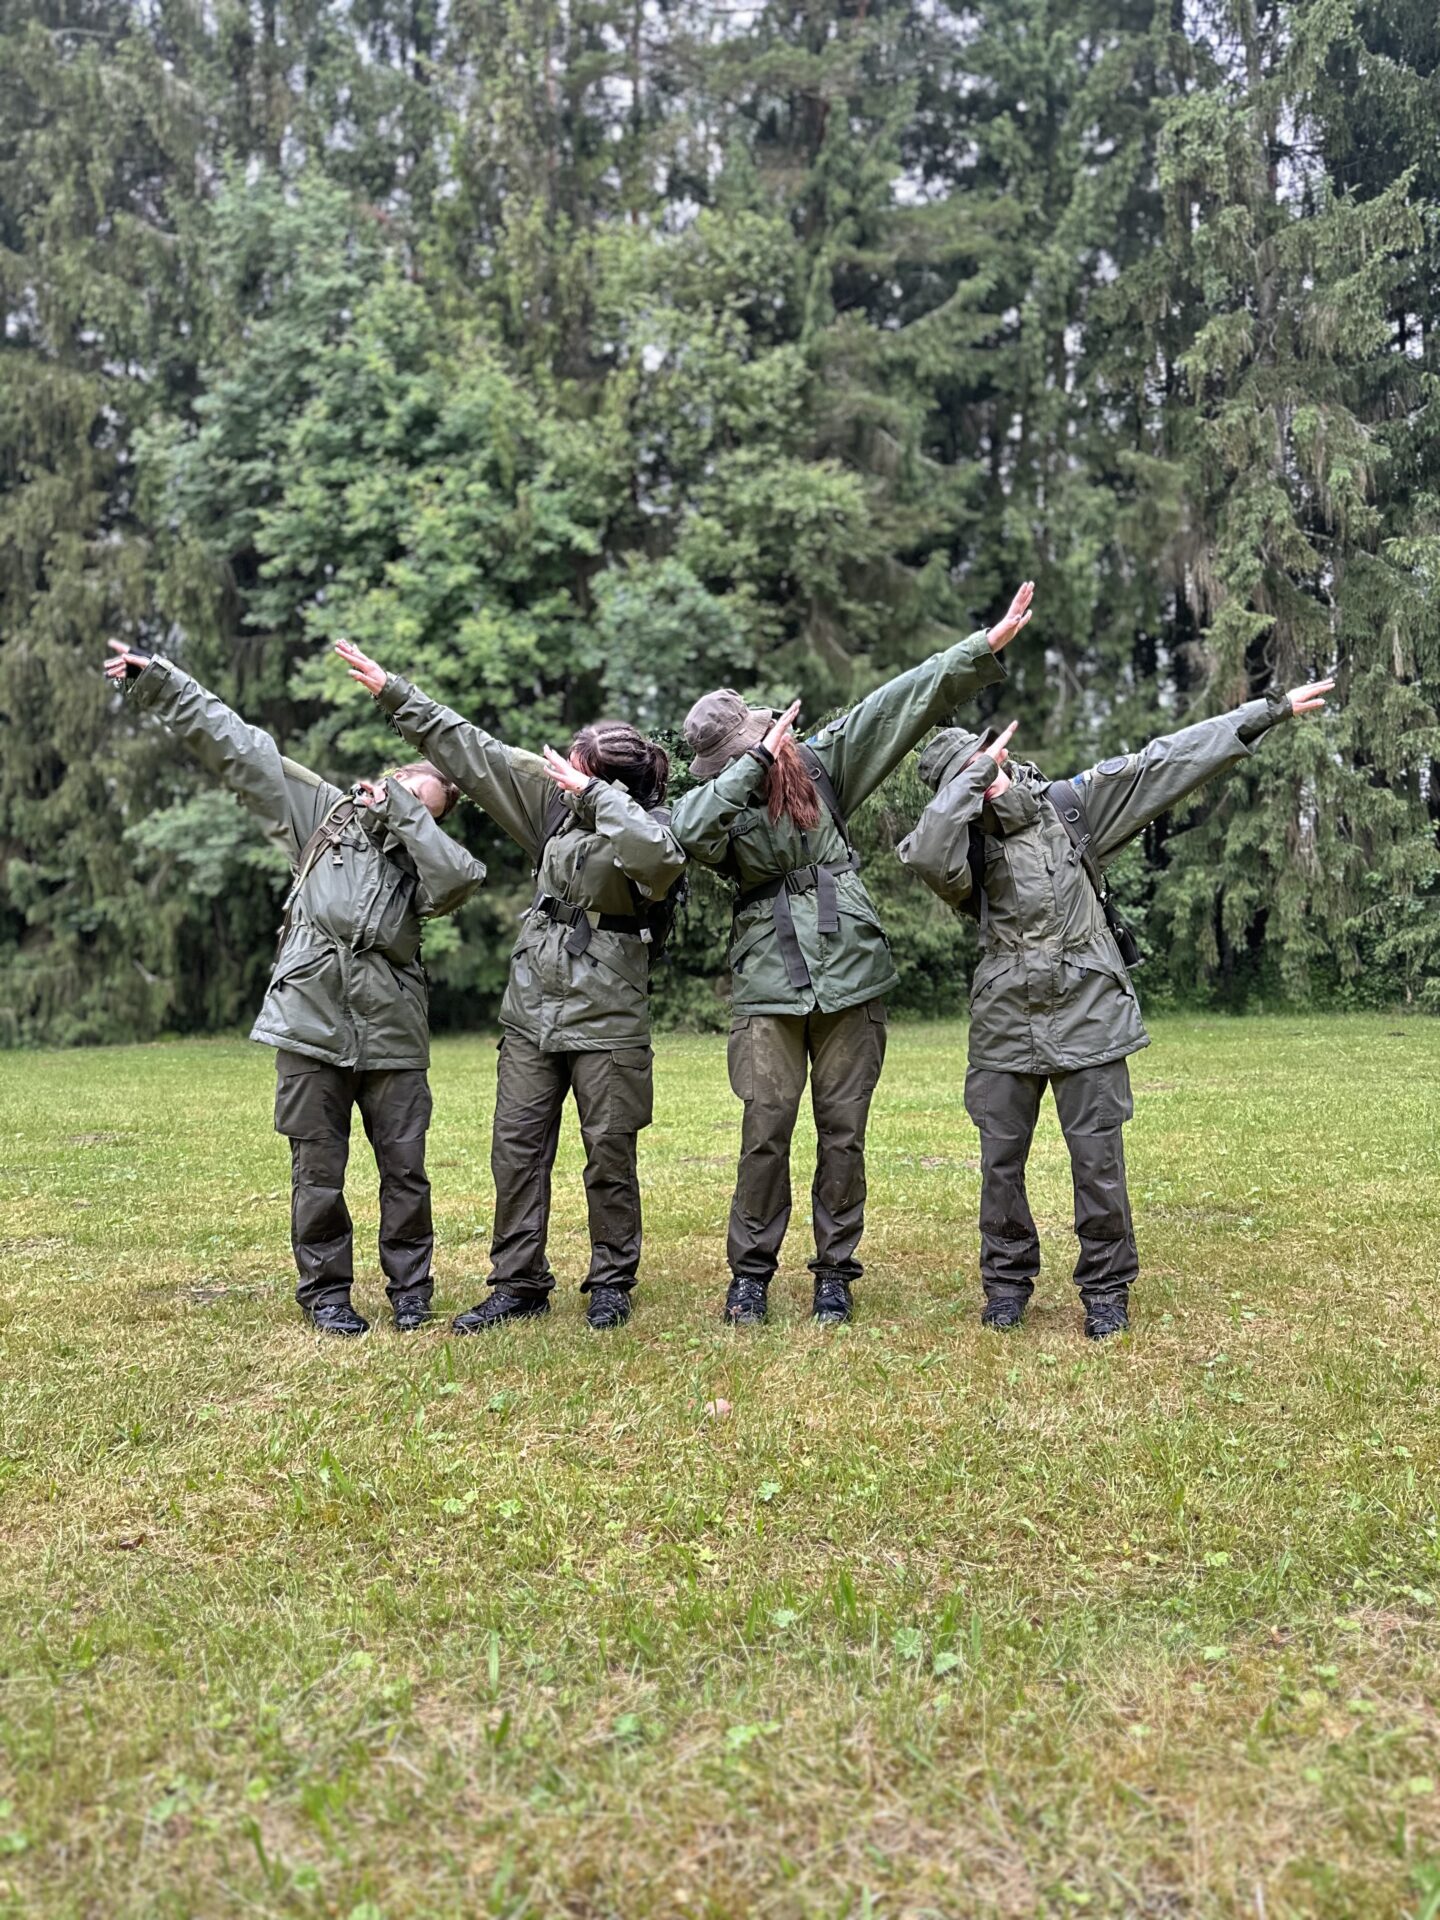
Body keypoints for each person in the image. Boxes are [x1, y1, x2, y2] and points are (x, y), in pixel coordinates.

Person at [896, 676, 1335, 1338]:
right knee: (999, 1168)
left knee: (1097, 1162)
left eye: (988, 762)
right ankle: (1007, 1286)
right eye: (967, 776)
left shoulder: (1072, 805)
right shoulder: (962, 844)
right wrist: (970, 783)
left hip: (1089, 1008)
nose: (987, 777)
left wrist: (1262, 714)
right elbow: (929, 857)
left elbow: (1166, 762)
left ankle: (1106, 1291)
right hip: (1004, 1020)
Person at [670, 583, 1036, 1328]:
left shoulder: (822, 762)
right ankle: (750, 1276)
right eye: (738, 757)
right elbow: (685, 833)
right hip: (767, 982)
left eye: (754, 749)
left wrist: (981, 647)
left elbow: (900, 703)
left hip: (851, 972)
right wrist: (748, 767)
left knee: (844, 1133)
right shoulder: (718, 803)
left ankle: (834, 1273)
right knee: (765, 1133)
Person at [104, 639, 487, 1336]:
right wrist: (159, 680)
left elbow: (460, 882)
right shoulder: (322, 817)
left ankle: (411, 1293)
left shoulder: (425, 858)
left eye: (428, 809)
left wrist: (408, 818)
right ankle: (326, 1294)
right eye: (407, 791)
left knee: (406, 1171)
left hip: (393, 1034)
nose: (411, 809)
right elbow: (239, 748)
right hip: (310, 1022)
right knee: (318, 1171)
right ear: (385, 777)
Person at [334, 639, 685, 1332]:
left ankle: (611, 1281)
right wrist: (396, 693)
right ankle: (518, 1282)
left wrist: (596, 797)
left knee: (609, 1154)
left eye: (575, 769)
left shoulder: (658, 824)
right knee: (516, 1152)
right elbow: (476, 751)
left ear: (606, 780)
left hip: (609, 1014)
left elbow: (657, 860)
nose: (560, 776)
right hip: (531, 1010)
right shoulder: (549, 809)